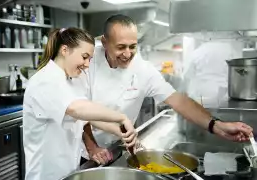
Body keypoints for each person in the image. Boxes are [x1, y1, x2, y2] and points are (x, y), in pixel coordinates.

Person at [78, 14, 253, 165]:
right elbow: (77, 109)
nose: (128, 54)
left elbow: (178, 100)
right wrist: (92, 147)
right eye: (121, 47)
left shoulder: (142, 68)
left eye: (133, 46)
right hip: (87, 151)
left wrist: (218, 126)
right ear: (105, 42)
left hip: (119, 145)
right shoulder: (87, 63)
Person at [22, 27, 137, 180]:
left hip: (68, 171)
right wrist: (121, 118)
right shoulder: (44, 81)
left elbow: (85, 118)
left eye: (89, 59)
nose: (87, 64)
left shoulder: (70, 81)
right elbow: (76, 109)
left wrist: (121, 132)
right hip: (46, 175)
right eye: (84, 57)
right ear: (64, 50)